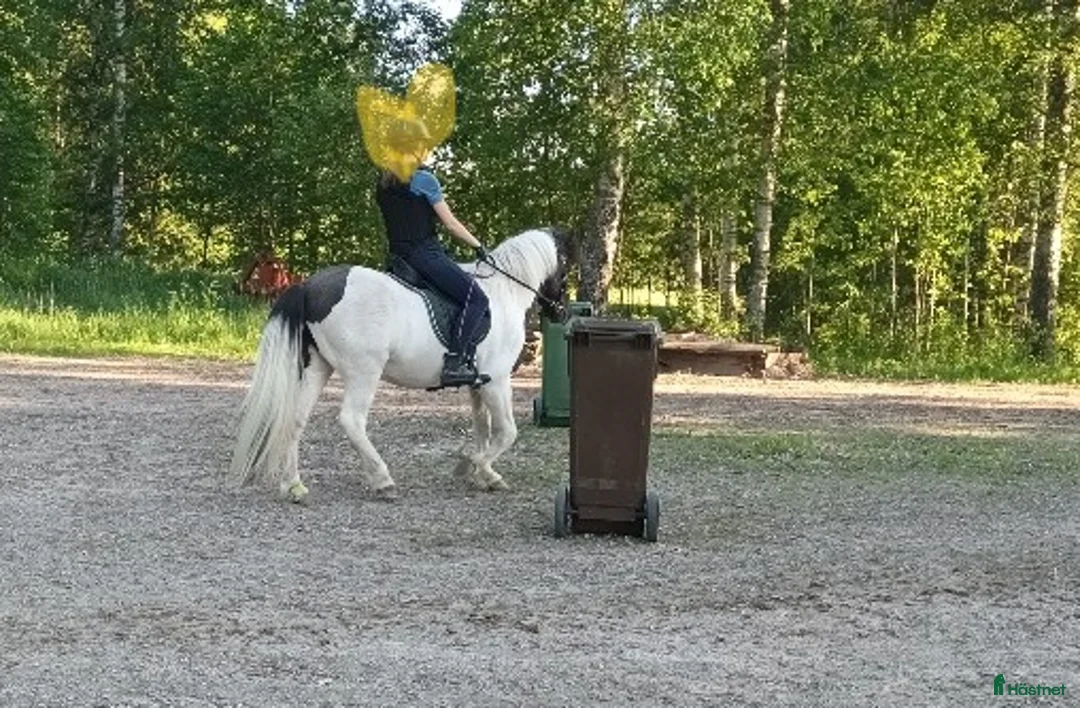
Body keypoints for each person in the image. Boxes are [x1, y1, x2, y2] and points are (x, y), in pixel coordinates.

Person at [375, 161, 490, 388]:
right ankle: (454, 363)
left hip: (399, 260)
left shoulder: (383, 184)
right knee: (476, 300)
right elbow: (451, 224)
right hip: (426, 257)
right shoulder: (424, 180)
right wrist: (478, 247)